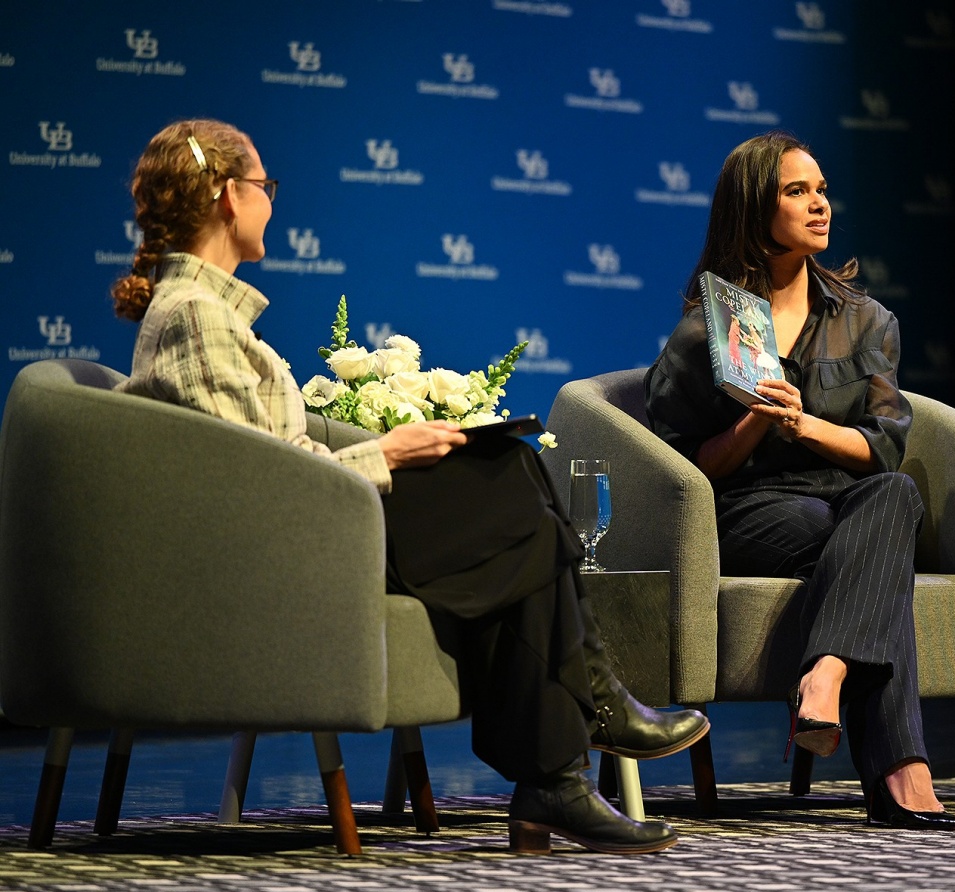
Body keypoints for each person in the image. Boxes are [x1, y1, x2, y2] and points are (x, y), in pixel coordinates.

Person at [110, 118, 710, 855]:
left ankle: (564, 762)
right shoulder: (196, 318)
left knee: (513, 476)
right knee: (516, 493)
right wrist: (386, 452)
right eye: (265, 185)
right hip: (286, 543)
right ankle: (580, 732)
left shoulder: (202, 312)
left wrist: (392, 453)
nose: (273, 200)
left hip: (314, 517)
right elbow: (265, 485)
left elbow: (266, 464)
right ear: (226, 198)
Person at [644, 130, 955, 830]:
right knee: (877, 552)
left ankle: (824, 673)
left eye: (821, 190)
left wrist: (803, 425)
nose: (819, 204)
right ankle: (901, 773)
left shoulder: (865, 320)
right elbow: (681, 466)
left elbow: (882, 449)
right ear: (754, 208)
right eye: (797, 191)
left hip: (846, 500)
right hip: (751, 510)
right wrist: (756, 423)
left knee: (895, 497)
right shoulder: (710, 328)